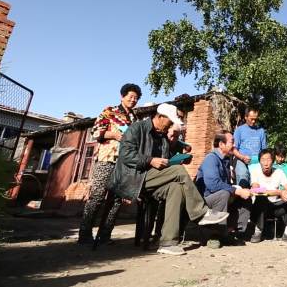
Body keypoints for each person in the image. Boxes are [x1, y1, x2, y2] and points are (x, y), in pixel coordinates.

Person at [109, 103, 229, 256]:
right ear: (160, 117)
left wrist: (178, 158)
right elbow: (126, 155)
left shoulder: (162, 136)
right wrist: (150, 160)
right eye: (170, 122)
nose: (171, 125)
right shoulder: (137, 128)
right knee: (178, 171)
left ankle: (168, 242)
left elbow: (165, 161)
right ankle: (201, 213)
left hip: (152, 179)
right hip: (132, 178)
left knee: (176, 188)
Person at [78, 83, 140, 245]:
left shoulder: (135, 118)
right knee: (97, 196)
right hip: (107, 158)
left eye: (136, 98)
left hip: (124, 163)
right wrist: (114, 134)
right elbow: (95, 132)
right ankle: (84, 235)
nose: (133, 100)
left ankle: (105, 235)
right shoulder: (109, 111)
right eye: (130, 96)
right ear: (122, 96)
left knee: (116, 200)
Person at [195, 130, 253, 248]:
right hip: (204, 200)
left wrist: (239, 191)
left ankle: (231, 232)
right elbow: (213, 185)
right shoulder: (211, 159)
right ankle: (213, 235)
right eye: (232, 142)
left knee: (245, 197)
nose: (235, 145)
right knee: (224, 193)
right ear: (221, 144)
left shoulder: (226, 161)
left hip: (218, 197)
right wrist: (236, 190)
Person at [249, 148, 287, 243]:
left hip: (276, 207)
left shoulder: (279, 172)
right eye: (263, 160)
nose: (266, 163)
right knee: (260, 197)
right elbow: (256, 190)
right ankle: (258, 231)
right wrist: (279, 192)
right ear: (259, 161)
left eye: (268, 159)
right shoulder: (255, 172)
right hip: (260, 208)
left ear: (273, 161)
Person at [232, 107, 266, 188]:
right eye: (251, 119)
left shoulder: (261, 131)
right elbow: (233, 149)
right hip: (242, 161)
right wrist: (242, 157)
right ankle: (242, 197)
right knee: (243, 177)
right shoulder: (239, 130)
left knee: (258, 183)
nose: (254, 121)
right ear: (246, 117)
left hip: (257, 162)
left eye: (255, 119)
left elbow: (264, 150)